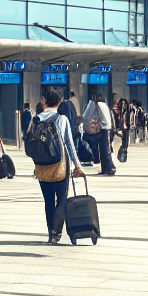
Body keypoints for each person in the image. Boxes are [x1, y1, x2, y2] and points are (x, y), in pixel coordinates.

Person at [28, 87, 82, 244]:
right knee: (63, 199)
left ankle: (50, 231)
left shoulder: (36, 119)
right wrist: (77, 165)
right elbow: (69, 144)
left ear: (45, 101)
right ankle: (56, 231)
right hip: (60, 166)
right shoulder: (62, 118)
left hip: (42, 168)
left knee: (48, 201)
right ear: (60, 101)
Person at [83, 92, 114, 175]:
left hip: (103, 129)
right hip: (107, 128)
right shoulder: (104, 105)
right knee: (106, 149)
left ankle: (106, 169)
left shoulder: (98, 105)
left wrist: (91, 103)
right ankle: (107, 168)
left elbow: (87, 116)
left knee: (103, 150)